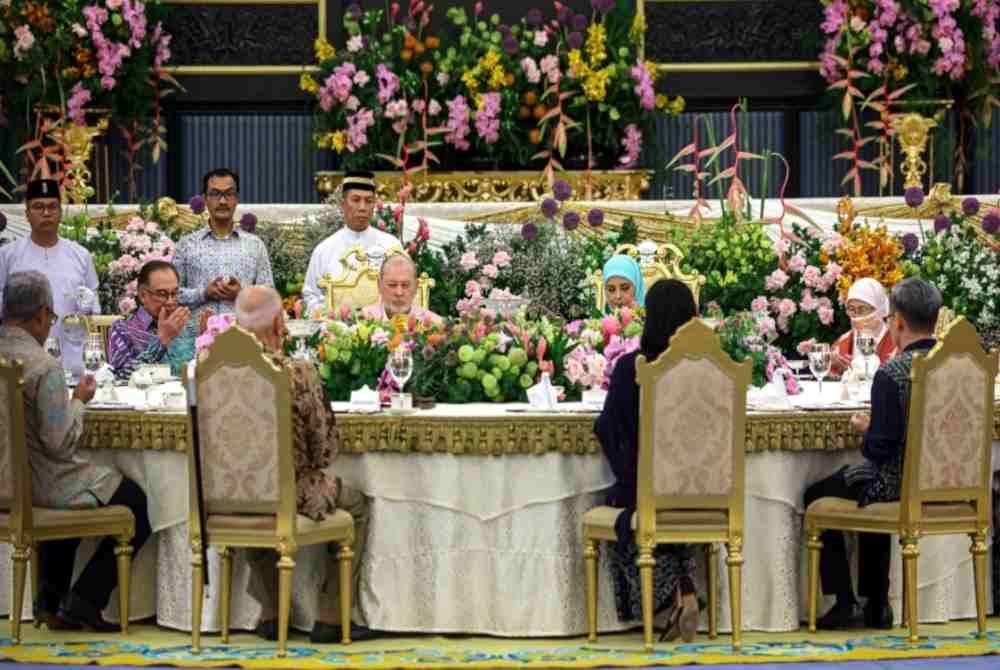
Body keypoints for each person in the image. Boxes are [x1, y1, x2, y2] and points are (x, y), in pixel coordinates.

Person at [0, 271, 151, 632]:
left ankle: (50, 603)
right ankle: (85, 601)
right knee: (137, 501)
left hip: (5, 483)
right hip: (41, 485)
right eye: (49, 319)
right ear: (40, 314)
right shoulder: (42, 366)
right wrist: (80, 401)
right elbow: (60, 442)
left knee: (83, 489)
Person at [232, 286, 377, 643]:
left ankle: (271, 610)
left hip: (231, 492)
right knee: (357, 505)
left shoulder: (207, 369)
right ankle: (330, 614)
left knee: (252, 497)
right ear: (280, 321)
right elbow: (325, 451)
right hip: (291, 490)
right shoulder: (296, 372)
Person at [803, 277, 942, 631]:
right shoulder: (955, 364)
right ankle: (877, 602)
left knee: (820, 492)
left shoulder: (892, 372)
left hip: (896, 483)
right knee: (866, 484)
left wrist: (866, 430)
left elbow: (880, 450)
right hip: (948, 481)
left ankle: (846, 601)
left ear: (896, 321)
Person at [594, 278, 699, 642]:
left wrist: (630, 478)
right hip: (706, 488)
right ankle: (684, 587)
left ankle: (672, 597)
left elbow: (608, 429)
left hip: (650, 486)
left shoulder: (632, 368)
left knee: (628, 507)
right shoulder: (713, 368)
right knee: (659, 506)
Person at [0, 179, 101, 377]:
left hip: (73, 355)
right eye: (38, 207)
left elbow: (94, 307)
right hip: (21, 358)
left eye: (52, 207)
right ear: (27, 214)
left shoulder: (80, 255)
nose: (46, 213)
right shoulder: (7, 255)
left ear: (61, 212)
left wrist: (88, 306)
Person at [173, 168, 274, 319]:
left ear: (236, 198)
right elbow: (171, 295)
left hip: (244, 336)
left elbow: (269, 297)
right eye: (215, 194)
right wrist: (203, 293)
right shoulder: (187, 245)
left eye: (229, 194)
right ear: (205, 199)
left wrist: (242, 294)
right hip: (195, 337)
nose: (222, 201)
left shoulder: (255, 245)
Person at [302, 170, 400, 316]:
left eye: (368, 201)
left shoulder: (391, 246)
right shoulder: (324, 250)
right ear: (343, 204)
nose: (362, 207)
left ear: (374, 205)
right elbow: (311, 296)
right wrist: (329, 316)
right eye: (356, 200)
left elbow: (405, 291)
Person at [107, 260, 204, 380]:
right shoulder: (123, 329)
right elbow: (120, 377)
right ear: (143, 295)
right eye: (162, 294)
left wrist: (207, 342)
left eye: (174, 293)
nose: (170, 301)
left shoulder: (189, 327)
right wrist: (161, 341)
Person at [831, 277, 896, 378]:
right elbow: (826, 374)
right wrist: (834, 366)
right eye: (851, 309)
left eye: (862, 309)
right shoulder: (844, 341)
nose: (856, 315)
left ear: (879, 309)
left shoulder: (895, 341)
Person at [360, 253, 443, 324]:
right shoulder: (363, 320)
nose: (399, 293)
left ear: (416, 286)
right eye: (392, 285)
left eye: (405, 285)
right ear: (379, 285)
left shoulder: (434, 324)